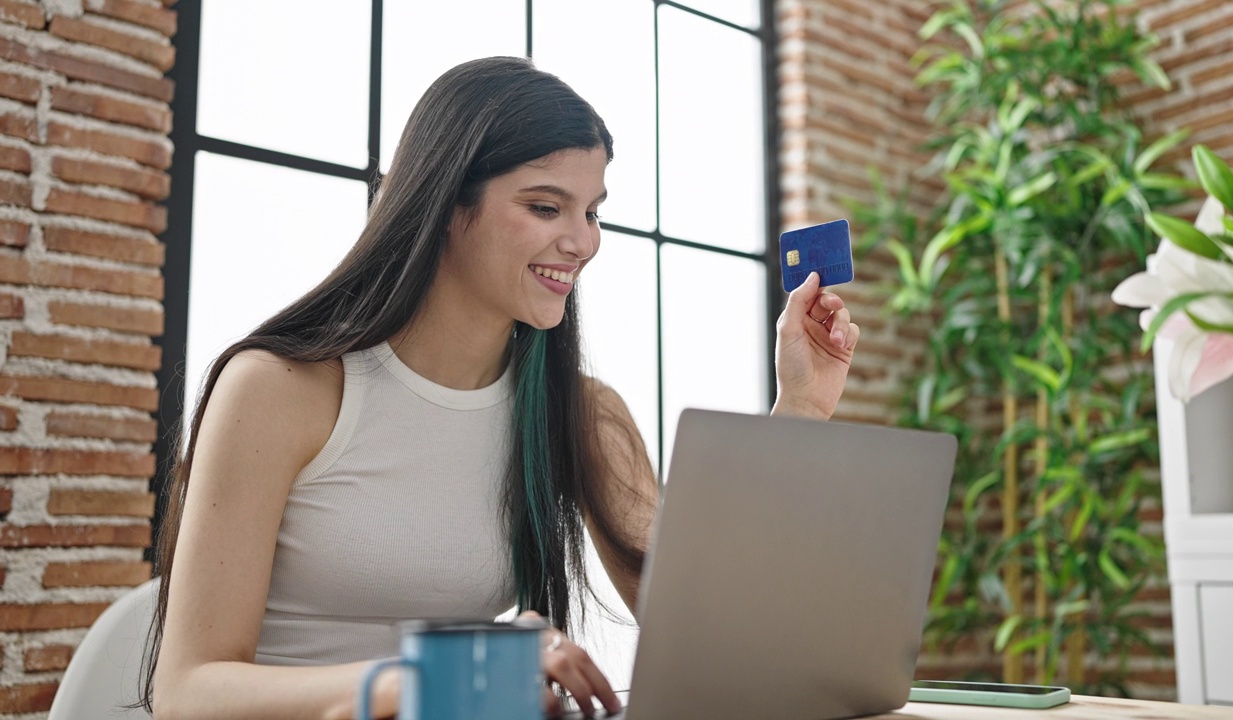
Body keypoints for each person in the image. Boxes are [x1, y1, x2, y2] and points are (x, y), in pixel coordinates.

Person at [143, 56, 859, 720]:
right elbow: (187, 688)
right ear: (449, 206)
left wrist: (799, 409)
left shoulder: (582, 413)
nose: (582, 242)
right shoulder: (278, 389)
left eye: (592, 210)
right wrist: (425, 678)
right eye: (546, 208)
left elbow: (715, 629)